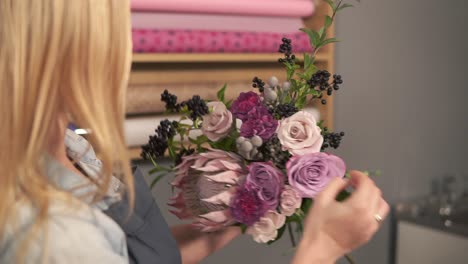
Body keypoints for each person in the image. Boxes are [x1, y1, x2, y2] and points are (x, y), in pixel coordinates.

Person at [0, 1, 389, 264]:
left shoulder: (66, 151)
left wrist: (239, 217)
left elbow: (141, 255)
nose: (126, 43)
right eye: (117, 24)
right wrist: (325, 246)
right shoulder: (59, 240)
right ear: (76, 46)